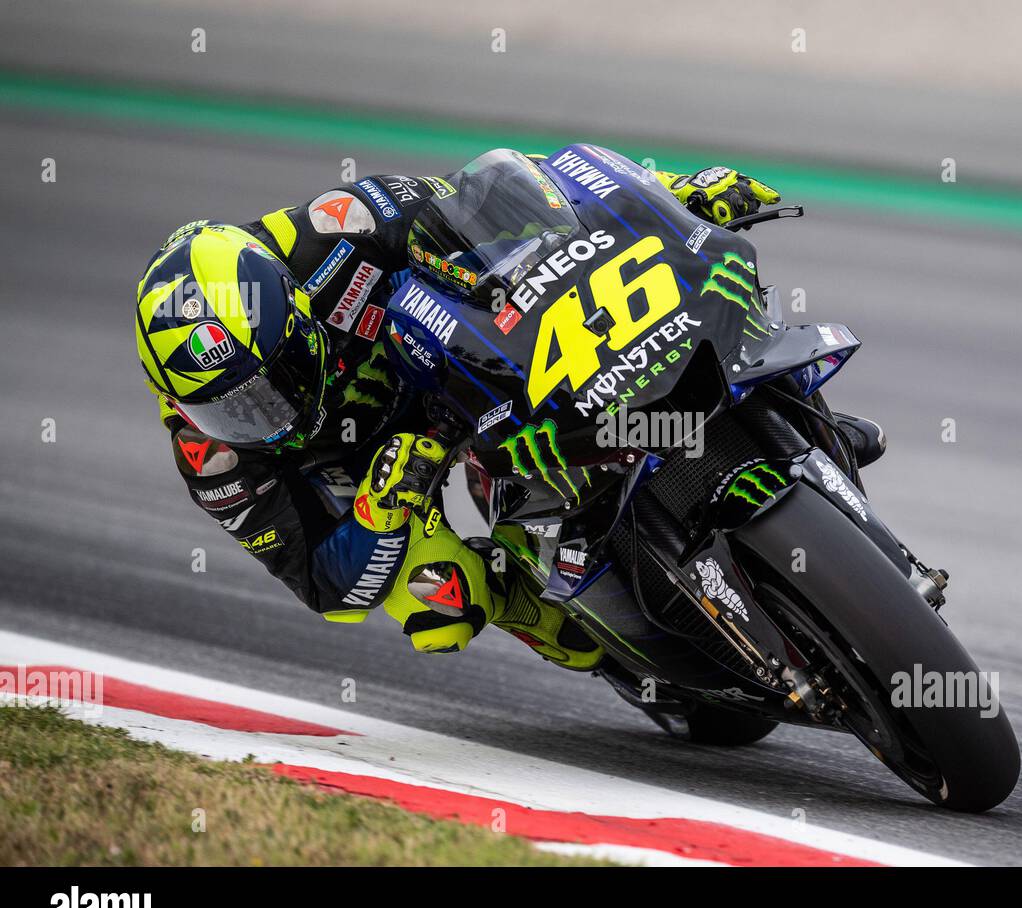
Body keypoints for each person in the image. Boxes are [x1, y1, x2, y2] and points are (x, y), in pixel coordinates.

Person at [133, 157, 809, 670]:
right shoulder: (210, 456)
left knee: (672, 298)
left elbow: (506, 196)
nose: (261, 415)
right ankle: (567, 605)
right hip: (383, 478)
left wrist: (670, 190)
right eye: (229, 410)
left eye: (264, 385)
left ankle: (789, 414)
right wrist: (377, 510)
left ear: (291, 304)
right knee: (448, 605)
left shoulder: (334, 228)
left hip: (460, 366)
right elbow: (325, 585)